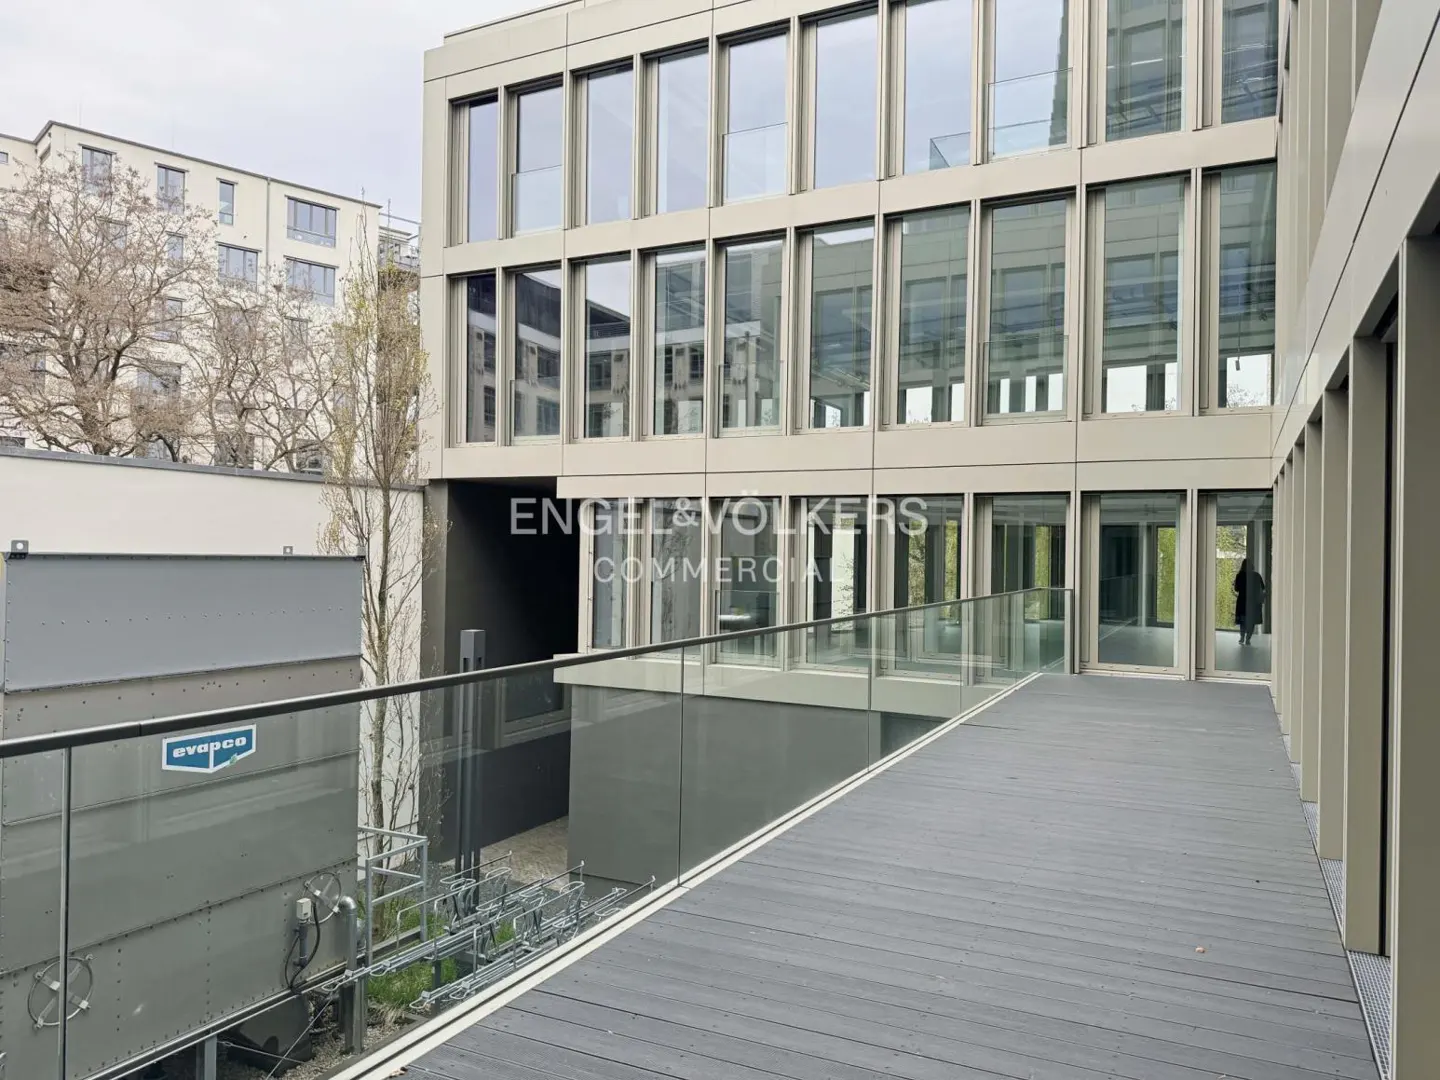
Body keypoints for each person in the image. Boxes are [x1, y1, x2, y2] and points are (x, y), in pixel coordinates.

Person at [1233, 558, 1267, 645]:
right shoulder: (1256, 575)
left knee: (1242, 620)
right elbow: (1263, 588)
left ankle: (1242, 637)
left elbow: (1236, 589)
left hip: (1242, 600)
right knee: (1251, 620)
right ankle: (1248, 638)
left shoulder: (1239, 575)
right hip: (1254, 601)